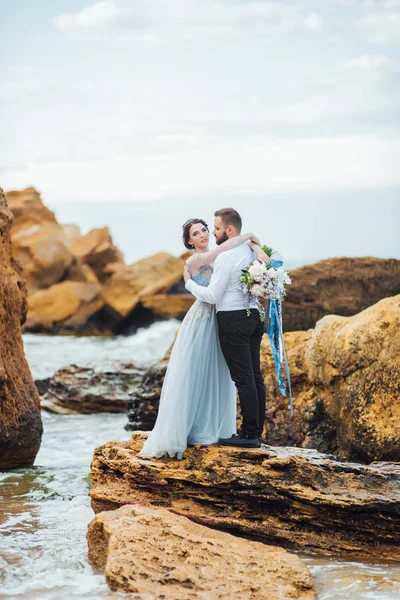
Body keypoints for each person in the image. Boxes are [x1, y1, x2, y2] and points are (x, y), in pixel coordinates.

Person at [139, 217, 269, 459]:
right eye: (195, 233)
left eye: (204, 230)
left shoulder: (223, 255)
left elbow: (231, 254)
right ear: (189, 241)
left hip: (223, 318)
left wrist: (255, 246)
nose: (202, 235)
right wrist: (248, 236)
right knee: (195, 371)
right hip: (203, 319)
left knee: (221, 374)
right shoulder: (196, 260)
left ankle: (217, 427)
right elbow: (223, 250)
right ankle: (191, 428)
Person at [184, 208, 266, 448]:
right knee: (255, 376)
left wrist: (189, 285)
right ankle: (256, 431)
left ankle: (250, 435)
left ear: (229, 230)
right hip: (254, 317)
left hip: (233, 320)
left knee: (244, 379)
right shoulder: (250, 253)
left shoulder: (226, 257)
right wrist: (255, 244)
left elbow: (211, 295)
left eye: (216, 228)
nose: (213, 233)